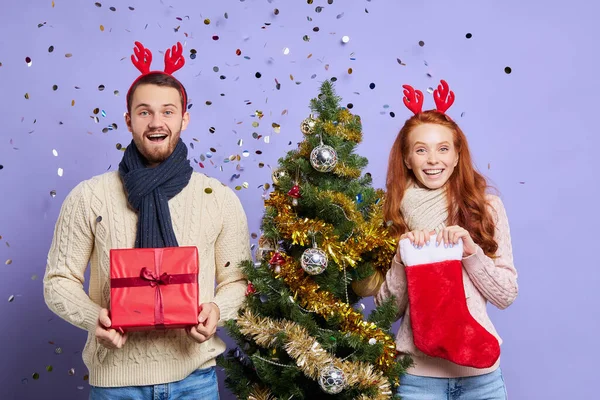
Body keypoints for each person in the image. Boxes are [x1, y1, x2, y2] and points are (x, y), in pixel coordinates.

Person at [43, 41, 251, 399]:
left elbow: (239, 280)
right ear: (128, 120)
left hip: (195, 381)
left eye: (168, 112)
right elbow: (57, 281)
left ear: (184, 118)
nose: (157, 122)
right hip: (115, 385)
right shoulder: (89, 196)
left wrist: (217, 309)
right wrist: (95, 318)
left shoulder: (217, 198)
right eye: (144, 112)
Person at [375, 80, 518, 400]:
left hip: (480, 379)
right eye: (421, 149)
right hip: (417, 379)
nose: (432, 159)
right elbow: (384, 312)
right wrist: (403, 259)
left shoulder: (487, 207)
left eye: (443, 148)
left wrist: (472, 254)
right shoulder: (392, 215)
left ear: (456, 155)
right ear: (407, 158)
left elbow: (506, 294)